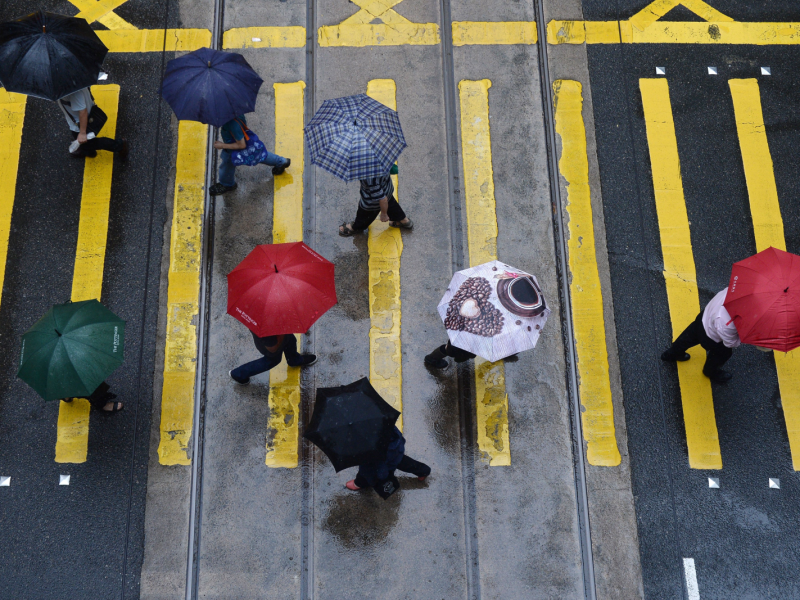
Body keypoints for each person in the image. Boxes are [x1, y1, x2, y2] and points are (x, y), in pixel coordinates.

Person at [661, 287, 740, 383]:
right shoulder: (729, 324)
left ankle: (672, 354)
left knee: (688, 336)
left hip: (704, 316)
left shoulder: (736, 289)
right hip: (711, 337)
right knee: (722, 354)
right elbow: (730, 343)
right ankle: (710, 372)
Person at [209, 115, 290, 196]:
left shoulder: (232, 124)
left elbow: (241, 145)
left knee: (227, 164)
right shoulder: (236, 114)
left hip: (232, 149)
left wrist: (222, 145)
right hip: (242, 143)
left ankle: (226, 184)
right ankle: (280, 161)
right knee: (259, 155)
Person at [345, 426, 430, 497]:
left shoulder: (365, 442)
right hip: (393, 446)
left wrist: (381, 476)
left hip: (381, 454)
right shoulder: (378, 417)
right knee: (401, 461)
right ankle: (423, 470)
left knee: (368, 469)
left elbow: (378, 471)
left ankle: (360, 483)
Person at [57, 88, 129, 159]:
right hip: (84, 115)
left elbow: (83, 112)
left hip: (81, 123)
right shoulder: (76, 80)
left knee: (89, 143)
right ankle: (88, 151)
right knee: (85, 142)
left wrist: (82, 133)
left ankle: (119, 145)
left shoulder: (71, 92)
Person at [338, 172, 413, 236]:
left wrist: (384, 214)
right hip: (387, 190)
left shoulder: (370, 175)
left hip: (373, 201)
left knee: (364, 216)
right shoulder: (381, 159)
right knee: (391, 204)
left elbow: (382, 199)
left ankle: (355, 227)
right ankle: (403, 220)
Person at [229, 332, 316, 384]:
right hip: (271, 344)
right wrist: (283, 332)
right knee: (272, 361)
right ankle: (238, 374)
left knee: (290, 340)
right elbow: (273, 348)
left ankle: (294, 360)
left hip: (278, 334)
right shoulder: (267, 329)